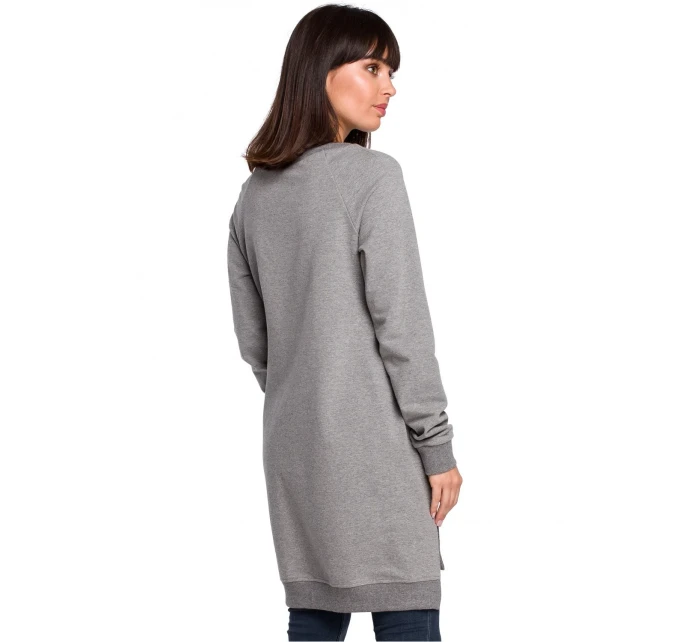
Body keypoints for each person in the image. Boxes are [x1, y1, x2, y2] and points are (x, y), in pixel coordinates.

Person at [227, 4, 462, 640]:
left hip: (295, 449)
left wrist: (310, 402)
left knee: (313, 616)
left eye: (391, 72)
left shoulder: (254, 197)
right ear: (320, 72)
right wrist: (436, 446)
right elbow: (402, 326)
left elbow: (256, 343)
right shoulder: (372, 177)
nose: (390, 87)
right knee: (407, 609)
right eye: (372, 68)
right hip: (378, 447)